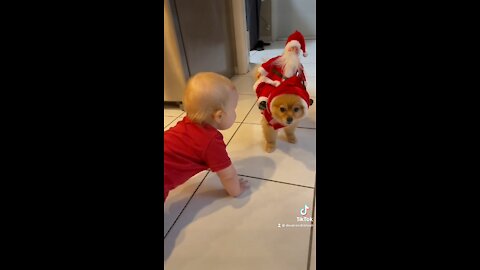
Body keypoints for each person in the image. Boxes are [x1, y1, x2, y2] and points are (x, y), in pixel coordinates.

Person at [164, 72, 249, 202]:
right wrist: (237, 190)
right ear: (219, 116)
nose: (235, 112)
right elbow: (228, 176)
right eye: (234, 108)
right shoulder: (211, 143)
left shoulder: (187, 123)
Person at [253, 30, 309, 110]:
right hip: (275, 80)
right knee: (268, 89)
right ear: (287, 49)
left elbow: (302, 76)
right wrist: (261, 71)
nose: (293, 50)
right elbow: (268, 64)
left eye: (296, 49)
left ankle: (304, 100)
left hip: (289, 83)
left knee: (295, 92)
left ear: (298, 52)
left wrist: (303, 83)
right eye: (291, 48)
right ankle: (264, 102)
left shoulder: (298, 65)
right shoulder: (278, 59)